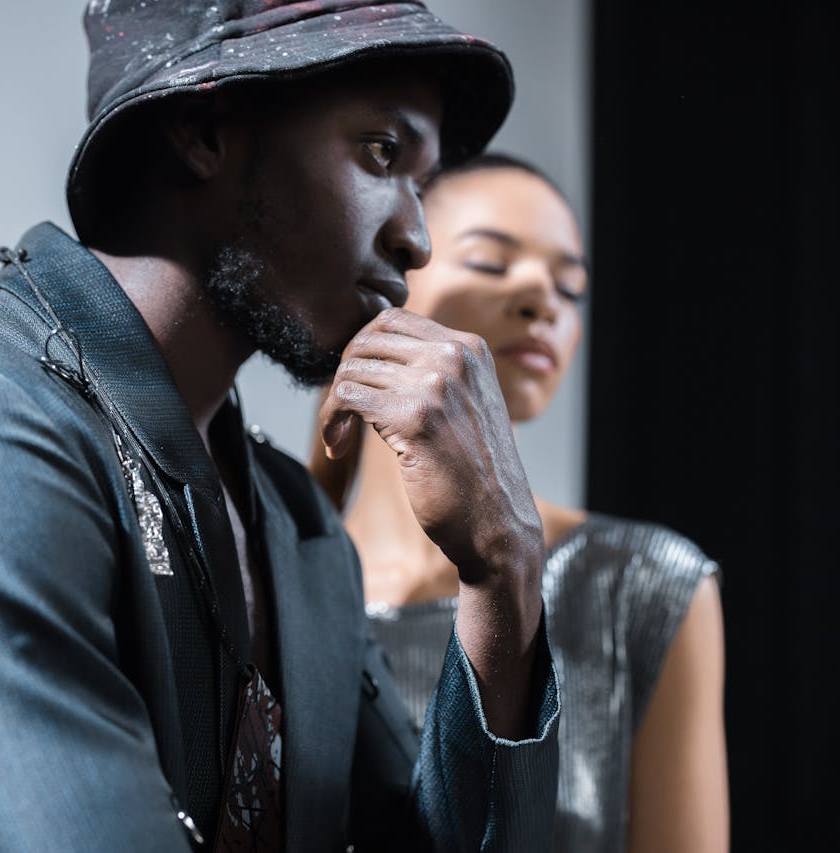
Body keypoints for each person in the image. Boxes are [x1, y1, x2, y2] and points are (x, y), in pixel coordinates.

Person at [0, 3, 563, 850]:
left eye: (423, 183)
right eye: (381, 153)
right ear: (205, 130)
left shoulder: (294, 523)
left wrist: (503, 567)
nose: (417, 236)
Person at [308, 152, 729, 852]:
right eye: (490, 263)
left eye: (571, 288)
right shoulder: (277, 580)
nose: (543, 298)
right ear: (388, 277)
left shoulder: (646, 583)